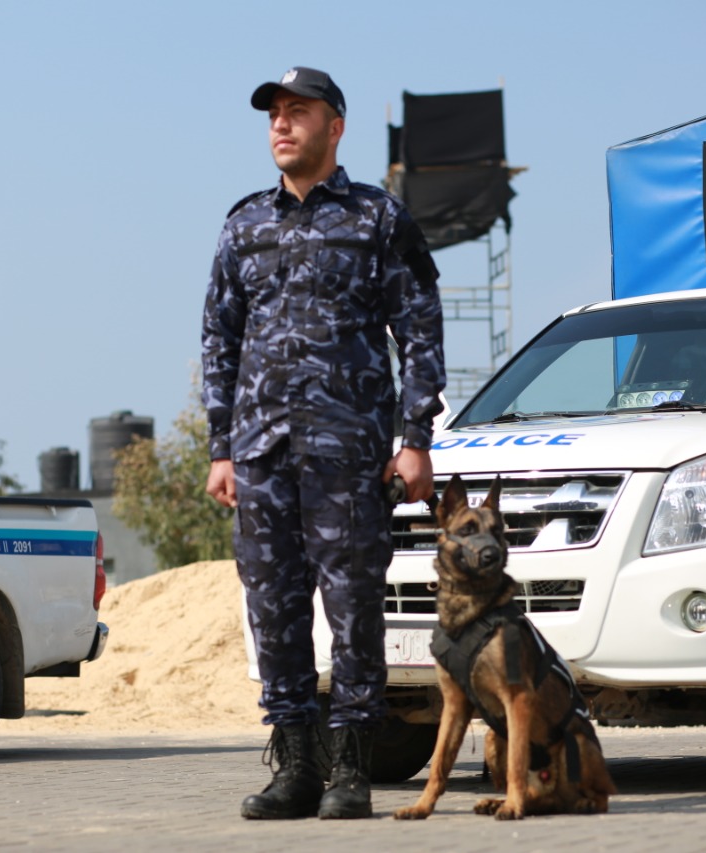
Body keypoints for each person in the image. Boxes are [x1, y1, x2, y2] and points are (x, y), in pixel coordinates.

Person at [201, 66, 445, 820]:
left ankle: (349, 767)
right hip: (262, 453)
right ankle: (295, 765)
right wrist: (220, 446)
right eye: (274, 113)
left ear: (334, 126)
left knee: (352, 608)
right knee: (272, 609)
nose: (281, 124)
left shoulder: (377, 219)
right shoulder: (244, 224)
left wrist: (414, 438)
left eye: (297, 112)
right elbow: (219, 335)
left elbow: (421, 327)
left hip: (350, 452)